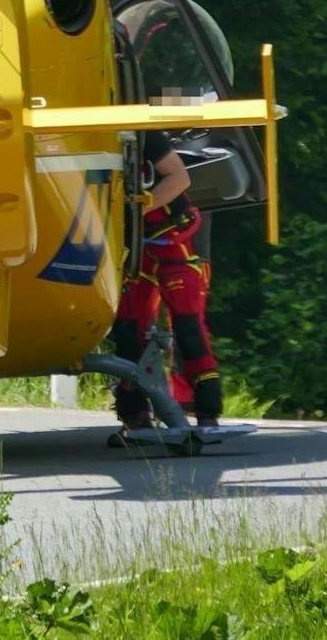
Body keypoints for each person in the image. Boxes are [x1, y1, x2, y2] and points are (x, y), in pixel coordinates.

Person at [109, 130, 223, 443]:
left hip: (172, 236)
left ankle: (207, 411)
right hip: (131, 247)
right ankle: (135, 414)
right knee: (129, 328)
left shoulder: (144, 133)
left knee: (188, 324)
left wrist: (136, 210)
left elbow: (179, 178)